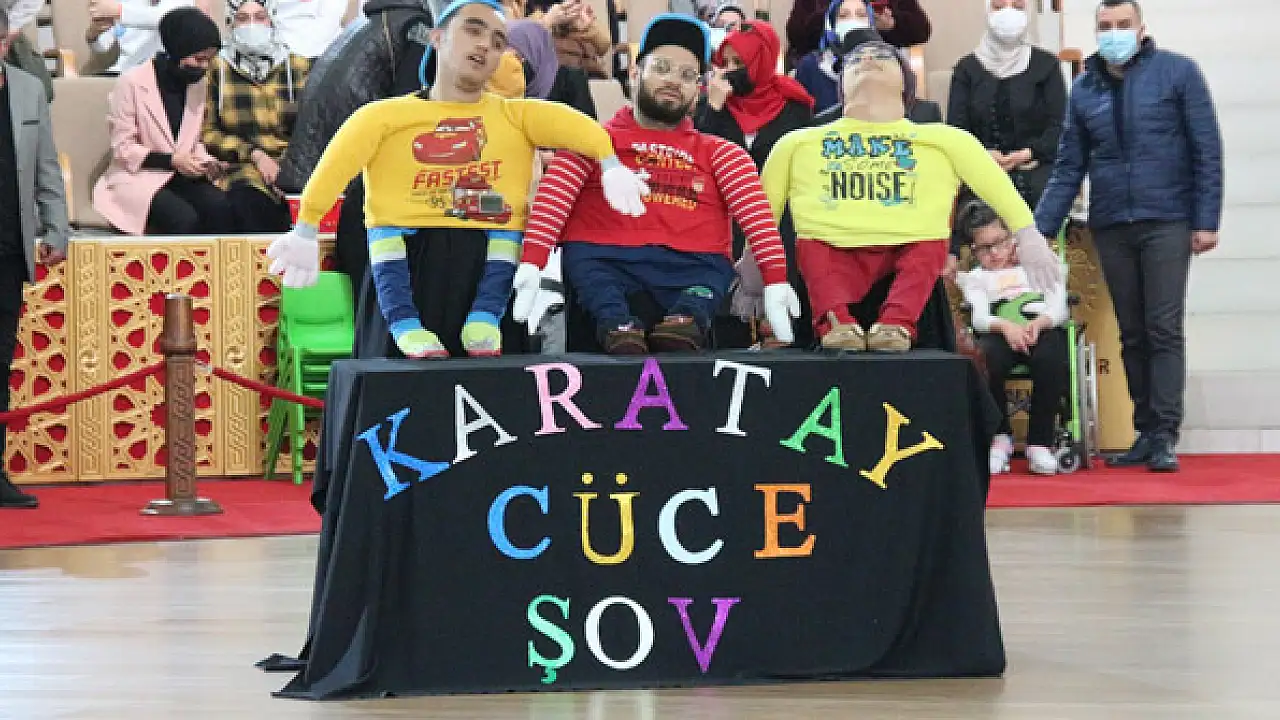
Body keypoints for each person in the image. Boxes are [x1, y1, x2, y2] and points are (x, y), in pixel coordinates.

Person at [265, 0, 650, 360]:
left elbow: (580, 128)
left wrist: (611, 164)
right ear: (437, 37)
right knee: (397, 386)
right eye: (473, 30)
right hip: (405, 267)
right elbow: (335, 165)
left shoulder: (516, 116)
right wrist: (306, 228)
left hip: (488, 270)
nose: (485, 46)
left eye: (498, 41)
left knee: (488, 393)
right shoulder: (384, 117)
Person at [512, 13, 800, 355]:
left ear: (698, 89)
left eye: (687, 75)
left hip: (692, 268)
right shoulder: (591, 141)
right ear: (634, 73)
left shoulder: (722, 154)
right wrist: (532, 261)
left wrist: (776, 279)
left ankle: (687, 317)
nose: (674, 80)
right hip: (606, 265)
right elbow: (554, 197)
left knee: (713, 275)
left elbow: (758, 219)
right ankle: (615, 322)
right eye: (662, 68)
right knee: (589, 271)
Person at [751, 39, 1060, 353]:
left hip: (912, 250)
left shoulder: (945, 139)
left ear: (905, 82)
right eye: (857, 58)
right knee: (814, 252)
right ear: (840, 84)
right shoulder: (797, 143)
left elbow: (997, 187)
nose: (868, 58)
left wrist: (1028, 234)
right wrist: (755, 266)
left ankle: (898, 321)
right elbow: (762, 212)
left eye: (881, 55)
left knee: (926, 250)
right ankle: (834, 320)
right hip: (828, 248)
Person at [1034, 0, 1222, 472]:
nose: (1114, 33)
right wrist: (1038, 230)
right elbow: (1069, 165)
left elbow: (1206, 150)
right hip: (1113, 222)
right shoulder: (1085, 87)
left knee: (1163, 328)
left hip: (1167, 219)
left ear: (1141, 28)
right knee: (1132, 331)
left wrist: (1206, 220)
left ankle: (1165, 434)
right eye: (1106, 26)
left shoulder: (1178, 73)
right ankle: (1144, 430)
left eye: (1123, 25)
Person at [694, 19, 813, 348]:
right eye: (725, 63)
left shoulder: (795, 107)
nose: (730, 71)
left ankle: (782, 334)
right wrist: (713, 108)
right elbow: (698, 156)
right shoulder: (712, 106)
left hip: (780, 213)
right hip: (726, 210)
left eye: (739, 62)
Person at [0, 14, 70, 509]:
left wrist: (55, 227)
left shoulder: (27, 89)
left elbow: (46, 165)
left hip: (8, 252)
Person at [945, 0, 1066, 279]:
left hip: (1036, 166)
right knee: (972, 211)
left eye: (1017, 5)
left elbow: (1060, 127)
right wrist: (983, 156)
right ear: (988, 11)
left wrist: (1028, 153)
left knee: (1045, 201)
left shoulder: (1046, 66)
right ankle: (982, 296)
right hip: (980, 170)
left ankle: (1045, 293)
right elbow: (956, 129)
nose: (1008, 12)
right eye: (999, 6)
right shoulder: (967, 69)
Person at [94, 8, 235, 236]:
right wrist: (172, 160)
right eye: (199, 59)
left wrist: (207, 162)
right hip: (138, 176)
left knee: (220, 208)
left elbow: (194, 140)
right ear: (178, 50)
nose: (203, 67)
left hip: (181, 176)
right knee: (182, 218)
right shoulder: (131, 83)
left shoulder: (198, 85)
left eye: (208, 60)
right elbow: (123, 149)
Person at [955, 200, 1068, 476]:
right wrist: (1007, 328)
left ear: (1013, 238)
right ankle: (999, 437)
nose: (995, 253)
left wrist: (1039, 324)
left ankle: (1039, 443)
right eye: (984, 248)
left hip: (1041, 328)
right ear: (973, 250)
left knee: (1051, 357)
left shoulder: (1040, 264)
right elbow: (980, 318)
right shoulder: (977, 279)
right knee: (985, 358)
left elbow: (1059, 309)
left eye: (1000, 243)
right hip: (1000, 332)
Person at [202, 0, 312, 233]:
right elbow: (209, 132)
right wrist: (256, 155)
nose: (252, 25)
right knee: (250, 205)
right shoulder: (217, 69)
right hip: (243, 166)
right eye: (242, 18)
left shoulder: (298, 67)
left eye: (260, 17)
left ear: (272, 20)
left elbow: (311, 129)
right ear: (231, 24)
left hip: (292, 165)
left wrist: (287, 169)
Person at [86, 0, 215, 76]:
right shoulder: (126, 3)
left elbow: (171, 18)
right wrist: (94, 33)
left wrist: (119, 11)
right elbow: (103, 46)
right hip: (123, 72)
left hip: (164, 74)